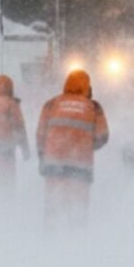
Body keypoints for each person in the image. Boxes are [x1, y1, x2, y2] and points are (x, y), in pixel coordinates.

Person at [36, 69, 108, 227]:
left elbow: (41, 135)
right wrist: (85, 145)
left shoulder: (51, 104)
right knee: (77, 214)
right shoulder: (93, 107)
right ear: (87, 86)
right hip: (80, 168)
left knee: (52, 212)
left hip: (54, 167)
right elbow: (103, 136)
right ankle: (76, 240)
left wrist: (42, 159)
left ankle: (49, 238)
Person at [0, 75, 30, 191]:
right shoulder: (10, 103)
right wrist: (25, 149)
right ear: (10, 87)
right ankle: (7, 199)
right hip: (4, 147)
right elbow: (19, 127)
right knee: (7, 179)